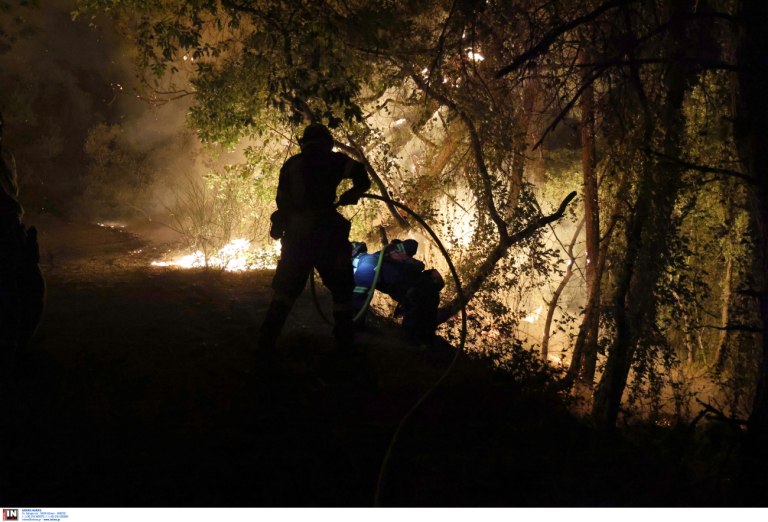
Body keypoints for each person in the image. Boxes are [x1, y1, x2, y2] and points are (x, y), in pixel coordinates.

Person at [255, 123, 370, 359]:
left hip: (297, 239)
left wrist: (279, 226)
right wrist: (353, 192)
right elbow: (361, 173)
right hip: (328, 236)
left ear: (303, 143)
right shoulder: (334, 160)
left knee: (285, 292)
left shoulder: (292, 165)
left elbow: (282, 204)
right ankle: (344, 349)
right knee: (341, 290)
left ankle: (265, 345)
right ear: (327, 143)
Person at [0, 112, 45, 357]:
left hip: (11, 229)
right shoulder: (6, 157)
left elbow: (11, 193)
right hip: (7, 231)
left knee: (28, 288)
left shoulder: (6, 157)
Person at [352, 238, 444, 346]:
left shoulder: (364, 269)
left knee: (414, 330)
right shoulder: (380, 254)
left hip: (415, 292)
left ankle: (417, 343)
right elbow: (412, 244)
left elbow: (359, 302)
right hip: (420, 287)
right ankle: (424, 342)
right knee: (425, 315)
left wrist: (355, 325)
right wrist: (396, 247)